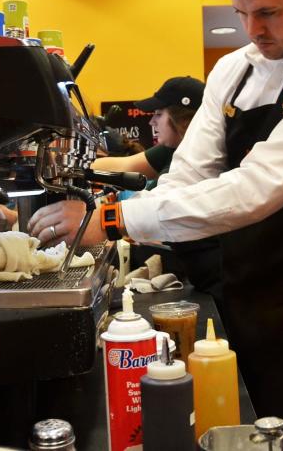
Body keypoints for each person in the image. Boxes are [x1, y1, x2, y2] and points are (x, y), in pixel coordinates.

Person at [29, 0, 283, 448]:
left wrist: (114, 218)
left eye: (268, 12)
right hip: (241, 290)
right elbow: (188, 175)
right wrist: (133, 215)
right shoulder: (232, 70)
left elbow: (255, 188)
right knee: (229, 425)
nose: (253, 30)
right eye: (241, 13)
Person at [93, 76, 222, 295]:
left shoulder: (203, 160)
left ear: (185, 120)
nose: (152, 122)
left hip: (220, 277)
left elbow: (162, 207)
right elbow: (124, 164)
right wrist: (66, 166)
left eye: (159, 114)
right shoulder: (170, 148)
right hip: (198, 272)